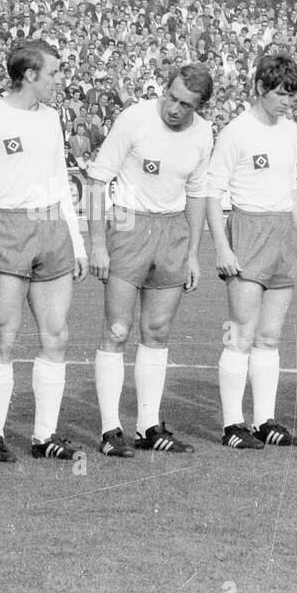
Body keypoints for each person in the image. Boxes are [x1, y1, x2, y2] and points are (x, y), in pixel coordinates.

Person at [0, 40, 87, 463]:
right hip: (9, 229)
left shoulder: (51, 117)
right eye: (53, 73)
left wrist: (77, 241)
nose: (59, 80)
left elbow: (60, 180)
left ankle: (44, 436)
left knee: (57, 336)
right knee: (6, 336)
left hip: (52, 228)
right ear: (29, 75)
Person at [87, 63, 214, 456]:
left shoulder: (203, 133)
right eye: (171, 97)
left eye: (186, 104)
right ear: (165, 88)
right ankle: (110, 429)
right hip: (129, 225)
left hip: (172, 230)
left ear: (199, 107)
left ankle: (148, 427)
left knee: (157, 331)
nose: (174, 108)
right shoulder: (135, 119)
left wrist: (193, 254)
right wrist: (97, 244)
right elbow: (97, 180)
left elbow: (197, 193)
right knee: (117, 330)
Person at [205, 54, 297, 450]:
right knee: (240, 333)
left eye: (292, 95)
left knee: (269, 337)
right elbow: (213, 192)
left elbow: (290, 191)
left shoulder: (291, 132)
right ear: (259, 89)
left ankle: (264, 420)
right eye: (281, 94)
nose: (287, 102)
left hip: (283, 234)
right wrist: (222, 246)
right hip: (248, 231)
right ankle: (232, 424)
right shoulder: (236, 132)